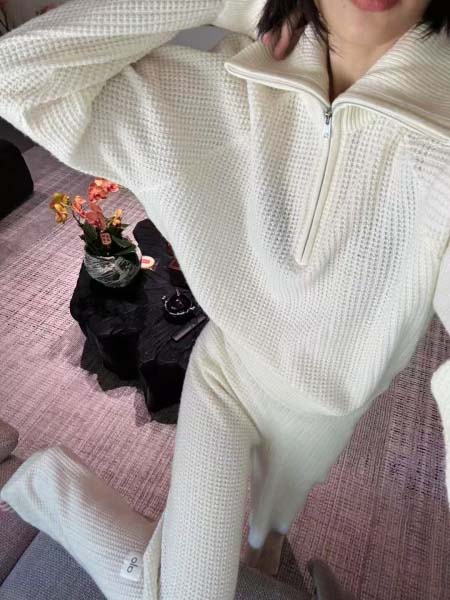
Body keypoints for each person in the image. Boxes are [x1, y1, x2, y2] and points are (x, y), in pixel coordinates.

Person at [1, 0, 450, 598]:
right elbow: (20, 76)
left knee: (272, 525)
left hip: (328, 407)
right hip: (227, 378)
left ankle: (257, 560)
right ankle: (58, 494)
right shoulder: (227, 83)